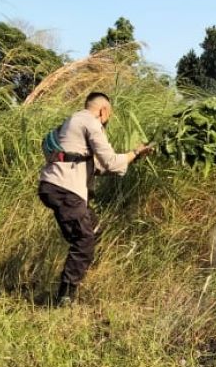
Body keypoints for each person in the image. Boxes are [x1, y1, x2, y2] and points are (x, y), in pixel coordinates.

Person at [37, 92, 152, 305]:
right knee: (84, 240)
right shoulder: (91, 122)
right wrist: (135, 152)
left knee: (92, 228)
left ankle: (82, 274)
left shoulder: (73, 122)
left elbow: (97, 167)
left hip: (53, 186)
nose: (107, 120)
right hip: (66, 189)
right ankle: (64, 298)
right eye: (109, 116)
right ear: (103, 111)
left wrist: (132, 158)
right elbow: (109, 161)